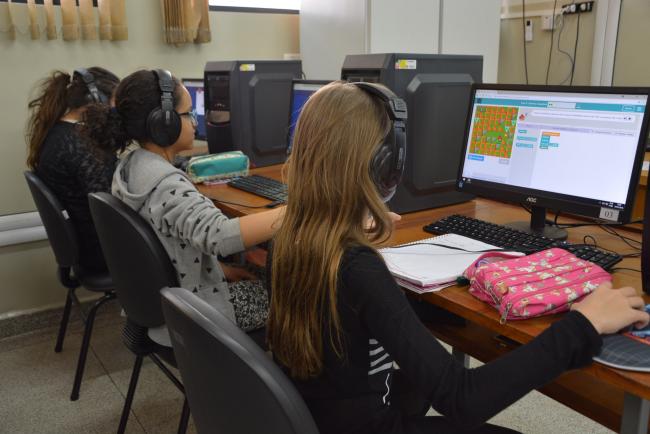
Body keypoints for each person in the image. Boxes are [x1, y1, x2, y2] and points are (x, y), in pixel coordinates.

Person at [267, 81, 650, 434]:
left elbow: (352, 314)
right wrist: (582, 324)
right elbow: (461, 399)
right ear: (385, 166)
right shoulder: (355, 266)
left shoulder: (291, 239)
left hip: (326, 413)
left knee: (419, 382)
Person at [82, 69, 283, 345]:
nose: (195, 121)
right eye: (188, 114)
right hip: (199, 313)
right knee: (300, 294)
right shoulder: (164, 183)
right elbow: (221, 236)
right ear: (162, 124)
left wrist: (218, 271)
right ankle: (289, 384)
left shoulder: (132, 167)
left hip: (174, 303)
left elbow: (165, 248)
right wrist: (298, 210)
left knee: (266, 271)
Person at [26, 67, 120, 272]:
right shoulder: (79, 144)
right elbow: (110, 206)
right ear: (97, 101)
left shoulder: (59, 132)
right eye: (114, 105)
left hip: (85, 245)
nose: (117, 113)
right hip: (102, 253)